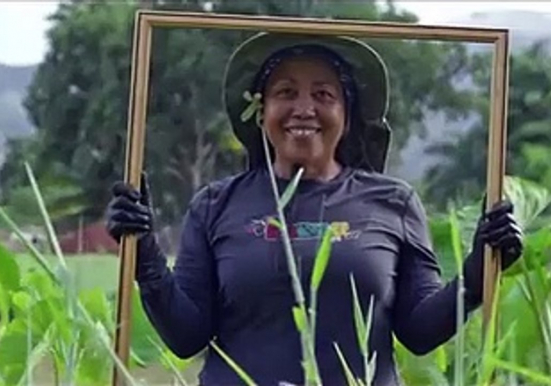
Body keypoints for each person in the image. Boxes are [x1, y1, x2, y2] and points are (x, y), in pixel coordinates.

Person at [105, 32, 523, 386]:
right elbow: (186, 336)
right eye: (285, 93)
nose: (304, 108)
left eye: (324, 94)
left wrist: (479, 270)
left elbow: (418, 331)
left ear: (347, 114)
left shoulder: (393, 202)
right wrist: (143, 251)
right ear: (261, 111)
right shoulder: (216, 205)